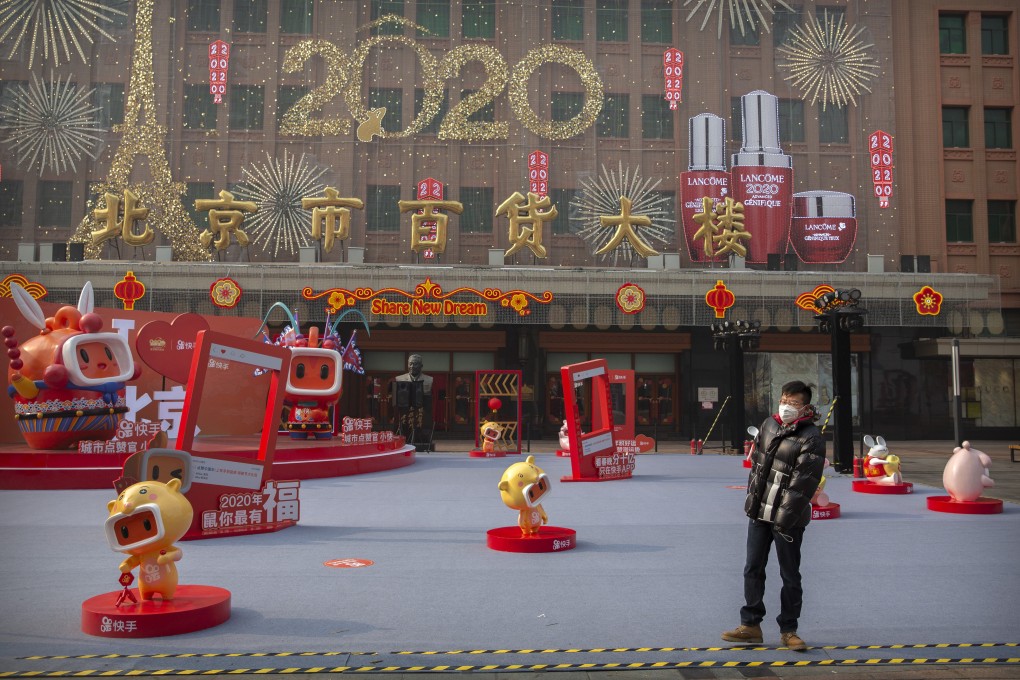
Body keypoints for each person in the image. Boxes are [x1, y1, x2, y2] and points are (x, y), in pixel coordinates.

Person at [721, 380, 825, 652]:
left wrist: (783, 518)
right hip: (760, 512)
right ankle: (750, 625)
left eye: (793, 402)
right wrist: (752, 503)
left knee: (789, 574)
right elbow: (757, 466)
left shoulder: (812, 436)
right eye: (784, 399)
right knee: (752, 568)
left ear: (805, 406)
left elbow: (804, 483)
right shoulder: (769, 424)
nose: (787, 406)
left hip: (788, 519)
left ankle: (789, 630)